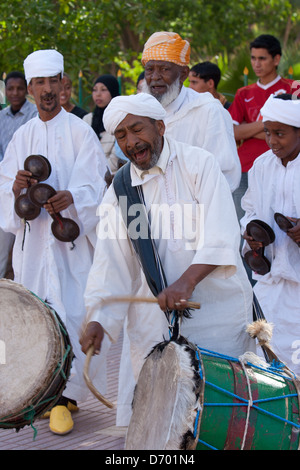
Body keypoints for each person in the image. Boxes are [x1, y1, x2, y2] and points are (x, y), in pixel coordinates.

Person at [80, 93, 256, 427]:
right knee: (165, 427)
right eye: (121, 135)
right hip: (155, 325)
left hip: (217, 318)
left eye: (137, 130)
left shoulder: (198, 165)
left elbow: (220, 235)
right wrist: (99, 318)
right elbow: (112, 263)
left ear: (159, 126)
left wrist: (186, 281)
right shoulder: (123, 190)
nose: (132, 142)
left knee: (222, 420)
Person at [0, 49, 108, 435]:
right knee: (37, 316)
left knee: (73, 313)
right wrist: (14, 189)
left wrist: (73, 197)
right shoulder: (21, 136)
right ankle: (45, 394)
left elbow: (97, 183)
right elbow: (5, 197)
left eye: (53, 82)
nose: (48, 90)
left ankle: (68, 396)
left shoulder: (80, 131)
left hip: (69, 249)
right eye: (39, 83)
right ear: (29, 88)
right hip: (33, 248)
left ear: (64, 84)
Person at [240, 93, 300, 374]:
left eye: (280, 133)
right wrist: (250, 232)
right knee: (268, 362)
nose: (272, 141)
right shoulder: (261, 166)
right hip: (271, 282)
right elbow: (249, 208)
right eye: (267, 132)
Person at [140, 31, 241, 193]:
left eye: (164, 69)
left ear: (183, 74)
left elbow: (226, 176)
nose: (155, 77)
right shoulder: (141, 111)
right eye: (149, 69)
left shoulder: (209, 111)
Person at [229, 34, 299, 221]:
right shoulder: (243, 93)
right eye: (253, 58)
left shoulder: (293, 89)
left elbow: (295, 130)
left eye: (262, 58)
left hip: (285, 165)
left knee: (284, 221)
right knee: (246, 222)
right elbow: (233, 132)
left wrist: (249, 129)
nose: (256, 64)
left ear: (276, 59)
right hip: (245, 167)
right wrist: (269, 123)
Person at [0, 71, 38, 279]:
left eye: (19, 88)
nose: (15, 93)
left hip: (28, 185)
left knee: (25, 252)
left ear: (27, 90)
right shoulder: (1, 117)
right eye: (10, 88)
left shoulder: (34, 115)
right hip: (5, 185)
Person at [83, 74, 125, 176]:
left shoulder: (120, 118)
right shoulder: (87, 119)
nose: (98, 94)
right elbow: (82, 152)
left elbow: (117, 158)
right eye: (95, 90)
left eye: (103, 89)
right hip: (88, 175)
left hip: (112, 177)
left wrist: (97, 172)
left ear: (113, 92)